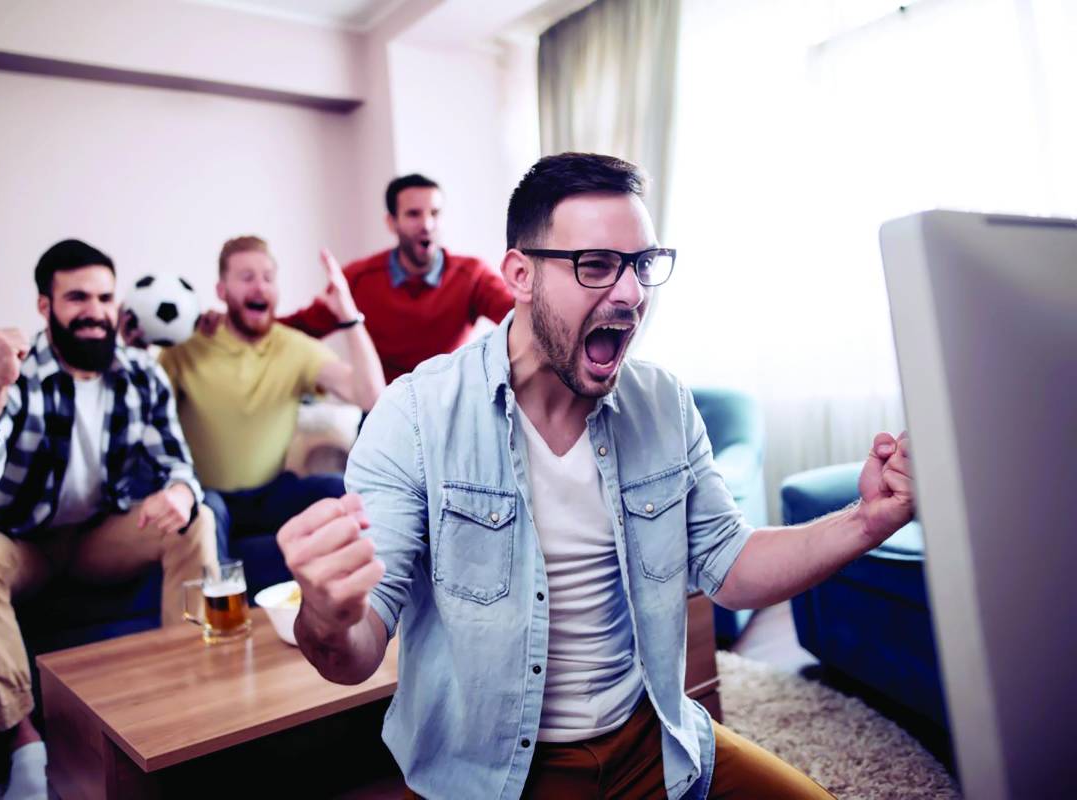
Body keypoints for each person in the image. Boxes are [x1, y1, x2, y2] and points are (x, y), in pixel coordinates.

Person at [275, 154, 916, 799]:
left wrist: (868, 520)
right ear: (520, 275)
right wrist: (328, 617)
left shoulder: (662, 401)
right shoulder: (414, 417)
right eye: (597, 265)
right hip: (497, 778)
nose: (633, 292)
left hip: (655, 743)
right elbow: (353, 656)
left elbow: (731, 564)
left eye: (640, 265)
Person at [0, 239, 216, 800]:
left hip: (99, 539)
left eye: (104, 297)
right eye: (77, 297)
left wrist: (182, 495)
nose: (94, 311)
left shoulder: (141, 373)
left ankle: (192, 704)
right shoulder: (5, 376)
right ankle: (25, 753)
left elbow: (178, 464)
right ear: (45, 307)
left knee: (199, 519)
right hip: (22, 544)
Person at [155, 236, 384, 583]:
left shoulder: (293, 347)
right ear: (221, 290)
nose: (259, 286)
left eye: (267, 277)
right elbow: (147, 409)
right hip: (209, 495)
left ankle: (343, 603)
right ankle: (218, 619)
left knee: (338, 490)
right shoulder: (187, 346)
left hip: (270, 492)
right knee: (204, 514)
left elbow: (370, 397)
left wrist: (348, 316)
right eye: (246, 278)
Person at [279, 174, 515, 382]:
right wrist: (245, 321)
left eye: (435, 213)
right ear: (392, 223)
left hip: (450, 407)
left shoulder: (471, 275)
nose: (427, 224)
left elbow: (520, 317)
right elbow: (300, 328)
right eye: (413, 214)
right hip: (384, 407)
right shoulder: (358, 278)